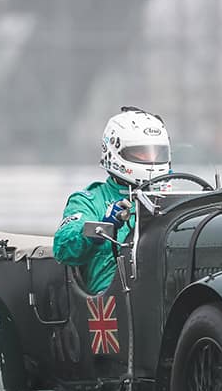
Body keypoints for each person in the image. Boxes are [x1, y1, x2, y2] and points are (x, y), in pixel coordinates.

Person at [53, 107, 171, 293]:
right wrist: (101, 227)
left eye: (157, 153)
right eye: (142, 153)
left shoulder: (171, 198)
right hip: (113, 301)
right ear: (115, 151)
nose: (152, 160)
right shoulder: (90, 200)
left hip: (165, 290)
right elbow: (63, 249)